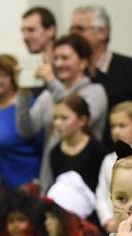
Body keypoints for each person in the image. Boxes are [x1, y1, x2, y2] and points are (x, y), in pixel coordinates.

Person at [16, 33, 108, 191]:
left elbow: (74, 109)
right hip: (50, 178)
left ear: (83, 63)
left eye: (65, 58)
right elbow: (26, 130)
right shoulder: (48, 96)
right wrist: (22, 93)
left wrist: (52, 81)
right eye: (55, 58)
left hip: (84, 180)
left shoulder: (95, 91)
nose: (58, 63)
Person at [71, 5, 132, 124]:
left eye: (80, 29)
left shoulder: (130, 68)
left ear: (102, 32)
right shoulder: (73, 71)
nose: (73, 36)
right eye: (71, 30)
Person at [0, 54, 43, 189]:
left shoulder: (27, 105)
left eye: (0, 75)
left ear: (13, 78)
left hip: (25, 185)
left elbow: (42, 145)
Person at [97, 101, 132, 234]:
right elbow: (102, 194)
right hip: (115, 228)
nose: (116, 131)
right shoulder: (108, 160)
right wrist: (107, 220)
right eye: (113, 126)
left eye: (122, 126)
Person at [49, 94, 107, 204]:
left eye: (64, 118)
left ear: (82, 120)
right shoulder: (55, 152)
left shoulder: (97, 150)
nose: (57, 123)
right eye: (55, 118)